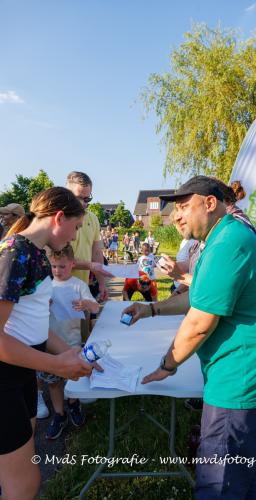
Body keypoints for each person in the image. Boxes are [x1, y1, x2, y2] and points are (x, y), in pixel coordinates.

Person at [123, 175, 256, 499]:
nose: (176, 216)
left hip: (243, 379)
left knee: (221, 483)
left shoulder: (229, 242)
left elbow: (200, 322)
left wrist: (167, 364)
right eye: (174, 210)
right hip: (249, 373)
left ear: (210, 203)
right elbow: (197, 297)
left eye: (184, 207)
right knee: (241, 475)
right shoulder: (221, 238)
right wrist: (150, 309)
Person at [0, 187, 100, 499]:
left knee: (18, 461)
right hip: (4, 378)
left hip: (21, 374)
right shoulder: (15, 252)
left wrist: (73, 354)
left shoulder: (36, 254)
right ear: (59, 218)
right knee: (25, 483)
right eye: (76, 227)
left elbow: (37, 324)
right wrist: (56, 364)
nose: (74, 237)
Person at [38, 244, 99, 440]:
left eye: (62, 266)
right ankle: (59, 414)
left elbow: (95, 306)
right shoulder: (45, 285)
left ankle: (73, 404)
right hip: (49, 344)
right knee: (53, 382)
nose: (57, 271)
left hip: (72, 341)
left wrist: (86, 304)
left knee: (73, 376)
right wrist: (43, 305)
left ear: (72, 264)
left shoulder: (78, 285)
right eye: (54, 266)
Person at [66, 171, 108, 301]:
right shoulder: (59, 218)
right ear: (67, 194)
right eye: (78, 198)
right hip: (58, 290)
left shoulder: (93, 218)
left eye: (87, 199)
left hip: (83, 289)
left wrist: (101, 283)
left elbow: (96, 253)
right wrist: (90, 265)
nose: (84, 203)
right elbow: (58, 259)